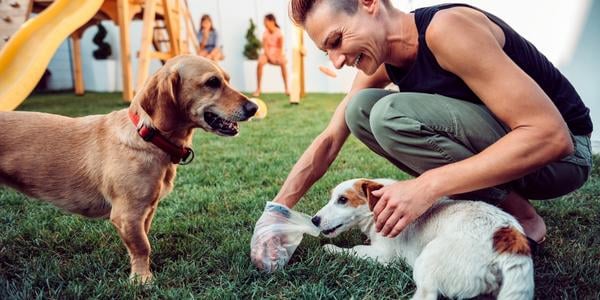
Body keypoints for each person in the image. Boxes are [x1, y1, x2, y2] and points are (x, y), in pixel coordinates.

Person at [250, 0, 593, 271]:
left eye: (337, 41)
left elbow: (551, 136)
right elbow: (330, 138)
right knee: (360, 110)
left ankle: (525, 217)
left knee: (387, 114)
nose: (337, 61)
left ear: (369, 2)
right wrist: (277, 212)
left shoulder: (448, 29)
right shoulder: (385, 57)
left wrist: (427, 187)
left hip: (565, 157)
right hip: (517, 149)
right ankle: (497, 204)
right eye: (328, 51)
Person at [253, 14, 290, 97]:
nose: (264, 23)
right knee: (260, 62)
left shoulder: (279, 32)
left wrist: (277, 57)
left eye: (265, 21)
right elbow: (265, 48)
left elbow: (280, 48)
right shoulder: (265, 33)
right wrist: (270, 57)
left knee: (283, 63)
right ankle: (258, 89)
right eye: (264, 21)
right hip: (267, 54)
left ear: (272, 21)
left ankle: (287, 88)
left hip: (277, 53)